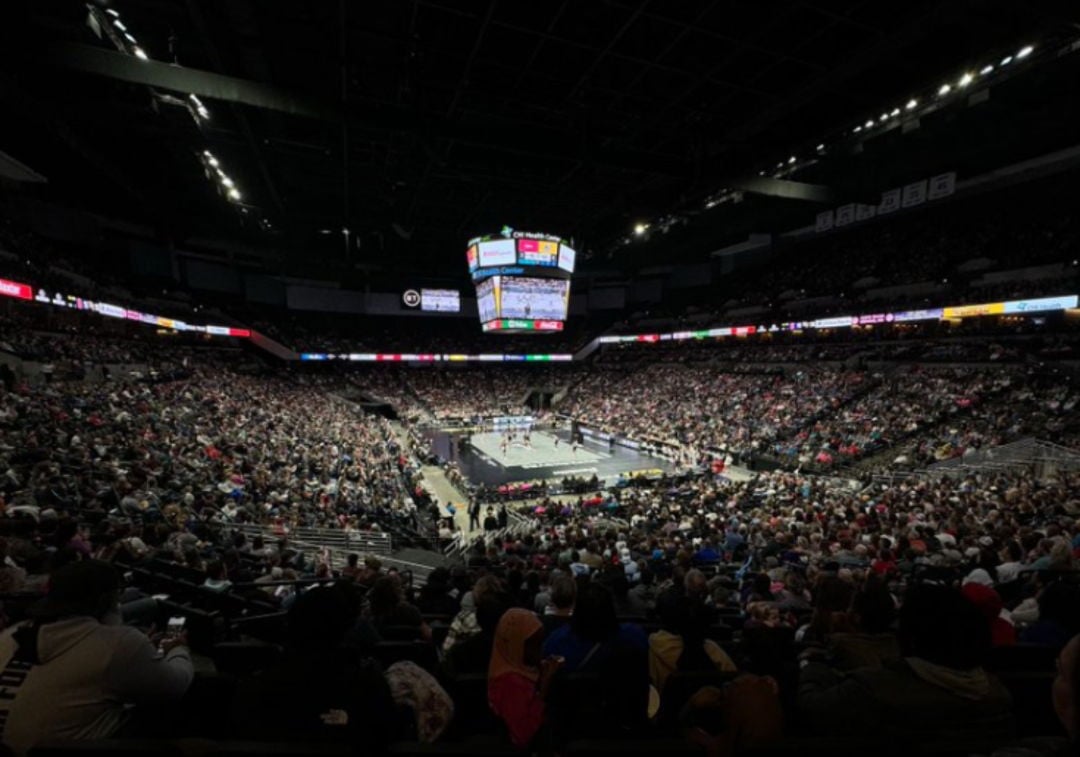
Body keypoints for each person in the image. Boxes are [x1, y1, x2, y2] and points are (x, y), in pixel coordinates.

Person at [0, 560, 194, 756]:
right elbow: (177, 684)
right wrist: (177, 649)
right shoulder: (119, 644)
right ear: (104, 601)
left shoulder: (11, 634)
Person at [797, 583, 1013, 743]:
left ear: (910, 635)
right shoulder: (999, 693)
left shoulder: (875, 688)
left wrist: (811, 665)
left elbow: (812, 711)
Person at [232, 585, 399, 747]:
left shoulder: (256, 687)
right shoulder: (370, 687)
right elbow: (390, 734)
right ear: (346, 629)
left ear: (291, 624)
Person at [488, 608, 563, 749]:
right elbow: (523, 735)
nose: (540, 651)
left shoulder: (515, 666)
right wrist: (545, 685)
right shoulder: (509, 682)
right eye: (534, 646)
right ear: (516, 646)